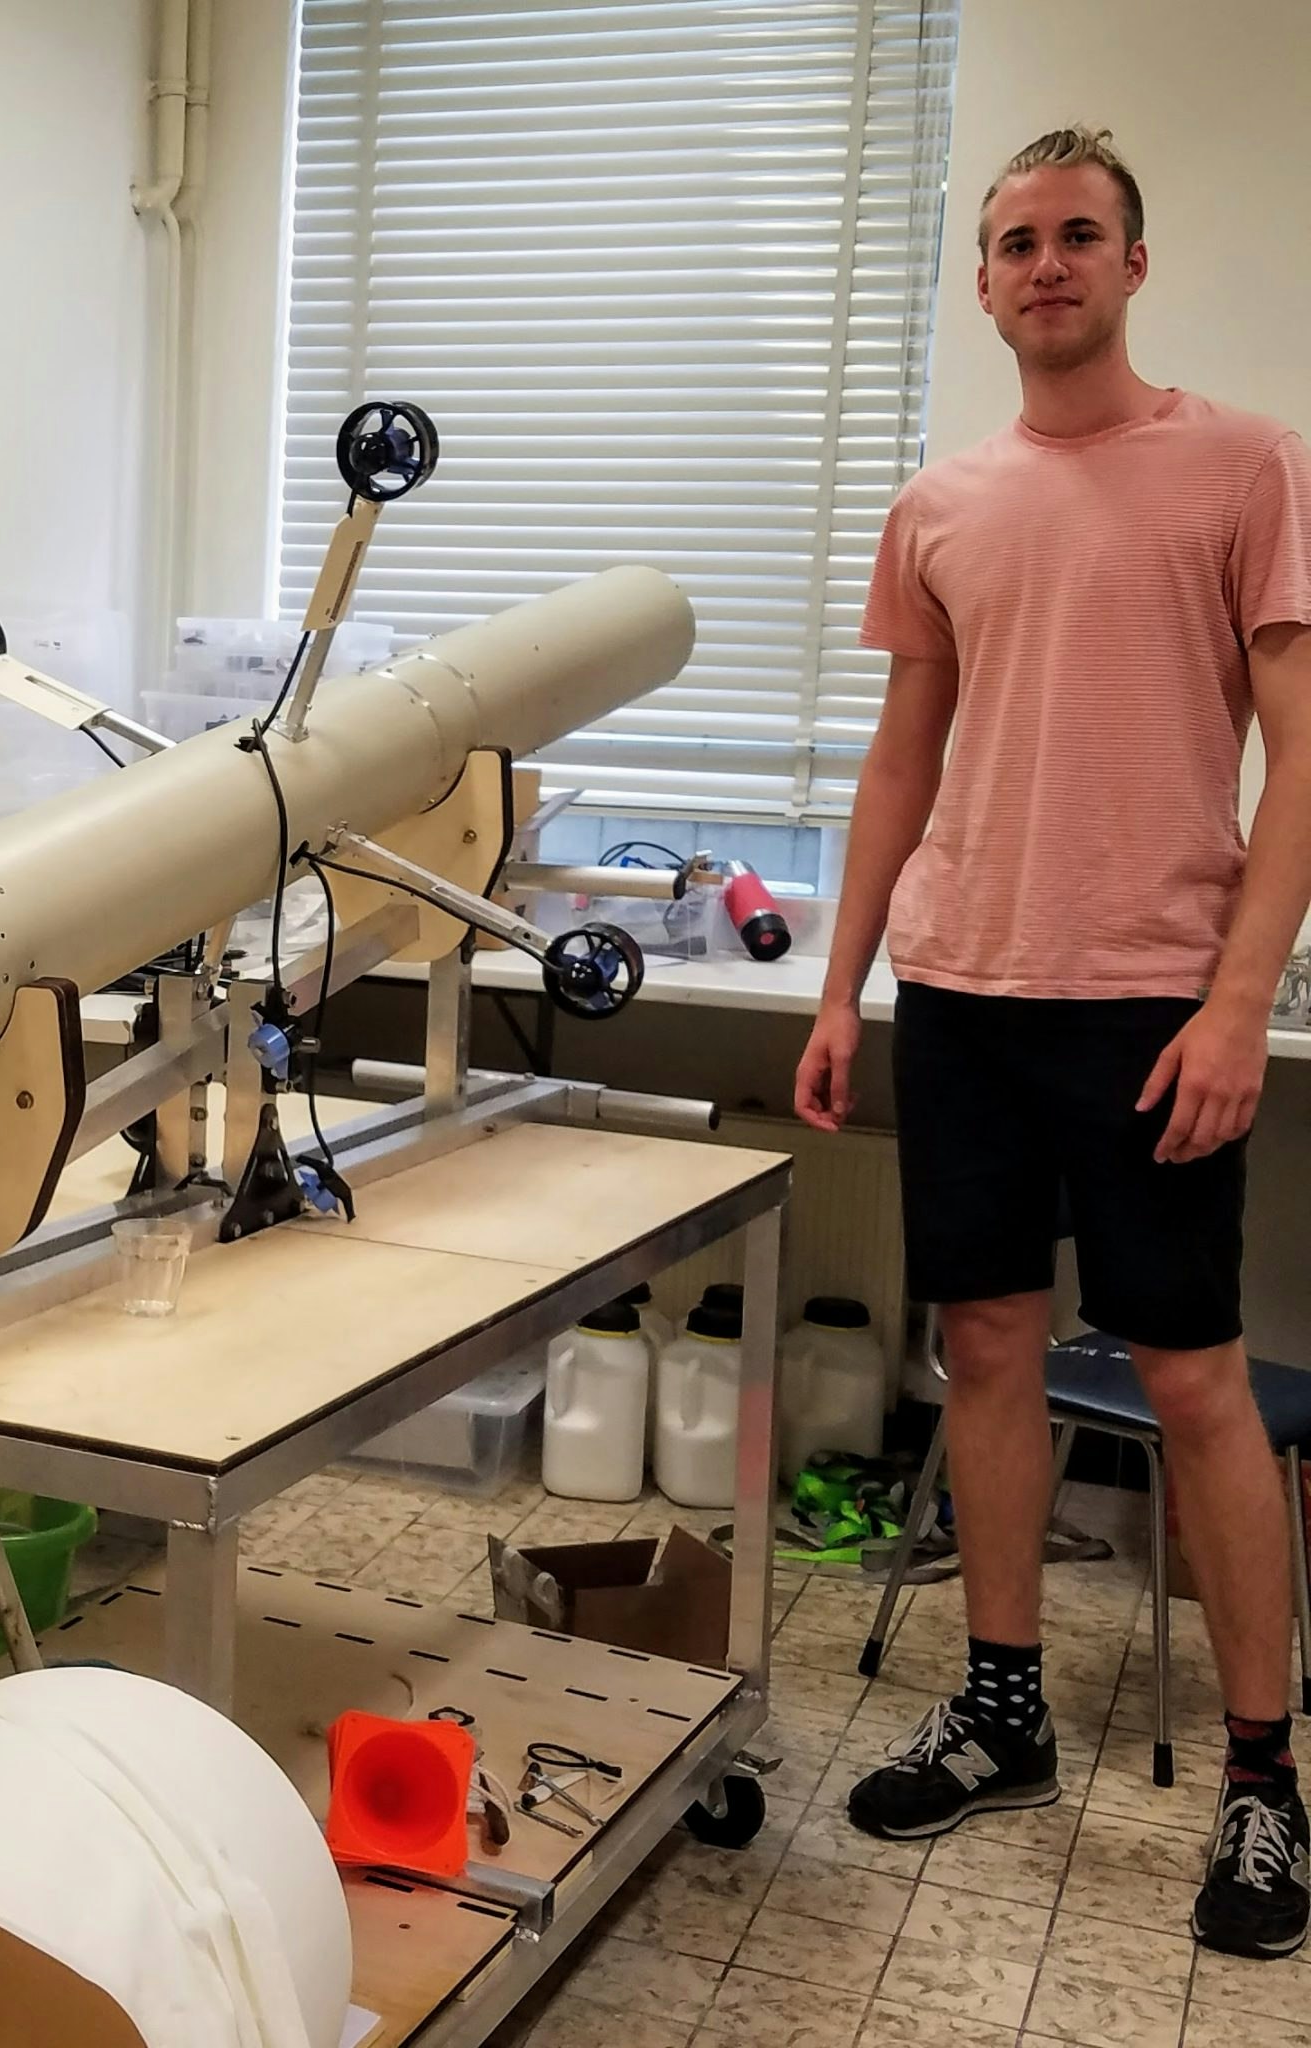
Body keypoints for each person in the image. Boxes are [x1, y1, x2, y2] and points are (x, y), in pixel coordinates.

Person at [794, 126, 1311, 1958]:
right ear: (989, 279)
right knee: (988, 1349)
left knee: (1192, 1382)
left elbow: (1303, 749)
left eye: (1078, 234)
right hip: (967, 994)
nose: (1045, 264)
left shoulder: (1246, 464)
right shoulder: (943, 500)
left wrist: (1242, 996)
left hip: (1156, 998)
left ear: (1133, 264)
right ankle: (1001, 1710)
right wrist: (845, 985)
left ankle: (1263, 1780)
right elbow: (900, 758)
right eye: (1013, 241)